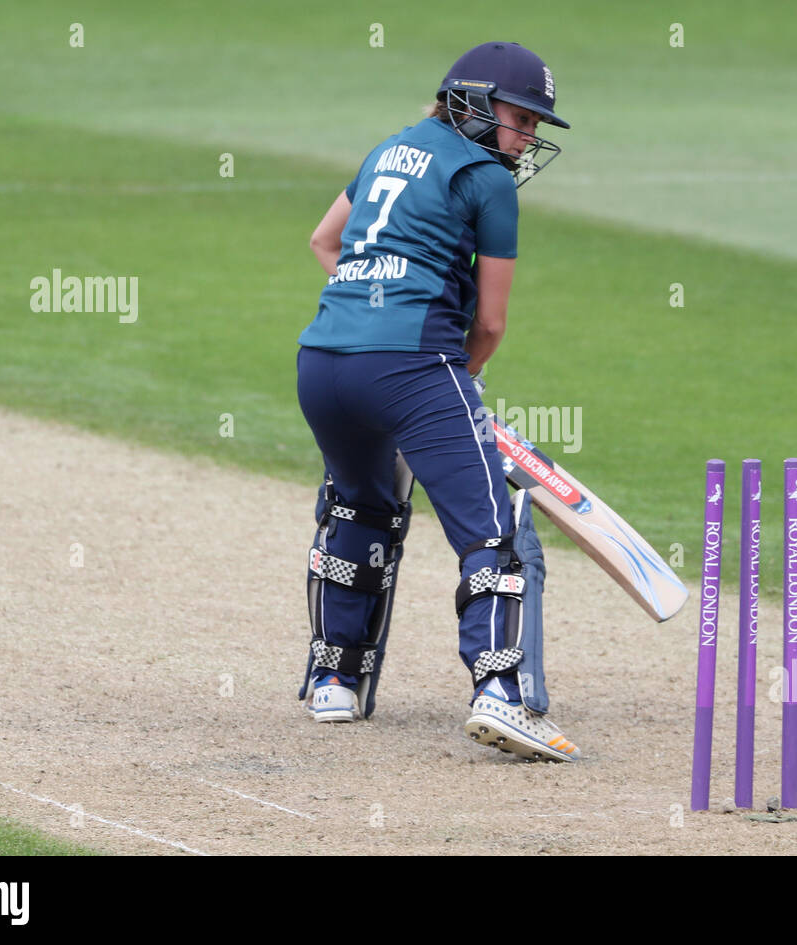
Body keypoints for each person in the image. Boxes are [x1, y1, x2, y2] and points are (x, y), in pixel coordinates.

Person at [294, 42, 578, 762]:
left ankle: (335, 680)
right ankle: (498, 693)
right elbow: (489, 323)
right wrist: (463, 377)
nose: (527, 138)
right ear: (472, 103)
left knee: (360, 506)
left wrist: (370, 297)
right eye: (518, 118)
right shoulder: (488, 180)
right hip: (412, 365)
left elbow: (325, 242)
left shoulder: (388, 150)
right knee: (488, 524)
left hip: (322, 361)